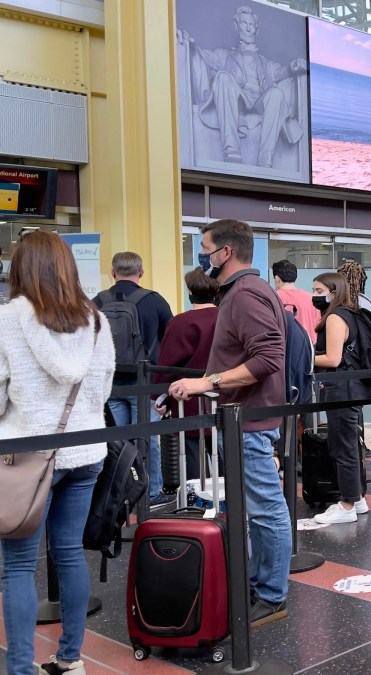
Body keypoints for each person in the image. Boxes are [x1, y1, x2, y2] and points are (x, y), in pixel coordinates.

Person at [0, 231, 115, 675]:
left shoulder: (8, 319)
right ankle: (70, 659)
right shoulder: (96, 320)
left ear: (20, 270)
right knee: (69, 553)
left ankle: (20, 669)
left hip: (28, 457)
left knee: (18, 567)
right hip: (85, 450)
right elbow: (103, 387)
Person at [168, 218, 291, 627]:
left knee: (266, 509)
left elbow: (268, 357)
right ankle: (261, 585)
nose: (200, 254)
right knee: (257, 510)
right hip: (243, 418)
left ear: (226, 252)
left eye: (204, 247)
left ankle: (272, 595)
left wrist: (208, 381)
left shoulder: (245, 295)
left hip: (248, 421)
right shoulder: (244, 292)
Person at [176, 5, 307, 167]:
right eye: (244, 24)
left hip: (259, 102)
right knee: (223, 77)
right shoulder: (224, 55)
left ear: (255, 29)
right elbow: (203, 55)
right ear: (237, 26)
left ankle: (265, 161)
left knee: (276, 93)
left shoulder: (266, 64)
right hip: (237, 99)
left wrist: (294, 66)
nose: (248, 28)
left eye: (251, 25)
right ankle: (231, 149)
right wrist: (188, 41)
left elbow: (283, 71)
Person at [93, 251, 174, 507]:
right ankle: (150, 493)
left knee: (119, 441)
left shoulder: (97, 302)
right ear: (140, 272)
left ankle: (122, 494)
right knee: (147, 437)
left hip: (112, 384)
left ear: (112, 272)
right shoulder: (155, 301)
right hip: (146, 383)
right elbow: (170, 339)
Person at [310, 272, 370, 524]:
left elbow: (333, 359)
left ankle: (346, 504)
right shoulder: (349, 313)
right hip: (348, 387)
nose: (314, 295)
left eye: (318, 290)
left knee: (342, 446)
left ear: (333, 293)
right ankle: (357, 498)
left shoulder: (335, 317)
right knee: (348, 445)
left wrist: (303, 360)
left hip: (341, 388)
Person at [155, 268, 221, 480]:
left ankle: (198, 505)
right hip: (225, 395)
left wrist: (159, 395)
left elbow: (168, 364)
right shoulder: (228, 317)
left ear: (191, 292)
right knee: (226, 455)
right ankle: (230, 505)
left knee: (192, 457)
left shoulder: (180, 322)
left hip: (188, 400)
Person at [272, 259, 320, 343]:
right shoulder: (311, 298)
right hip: (310, 347)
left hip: (286, 347)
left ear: (277, 279)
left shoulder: (273, 298)